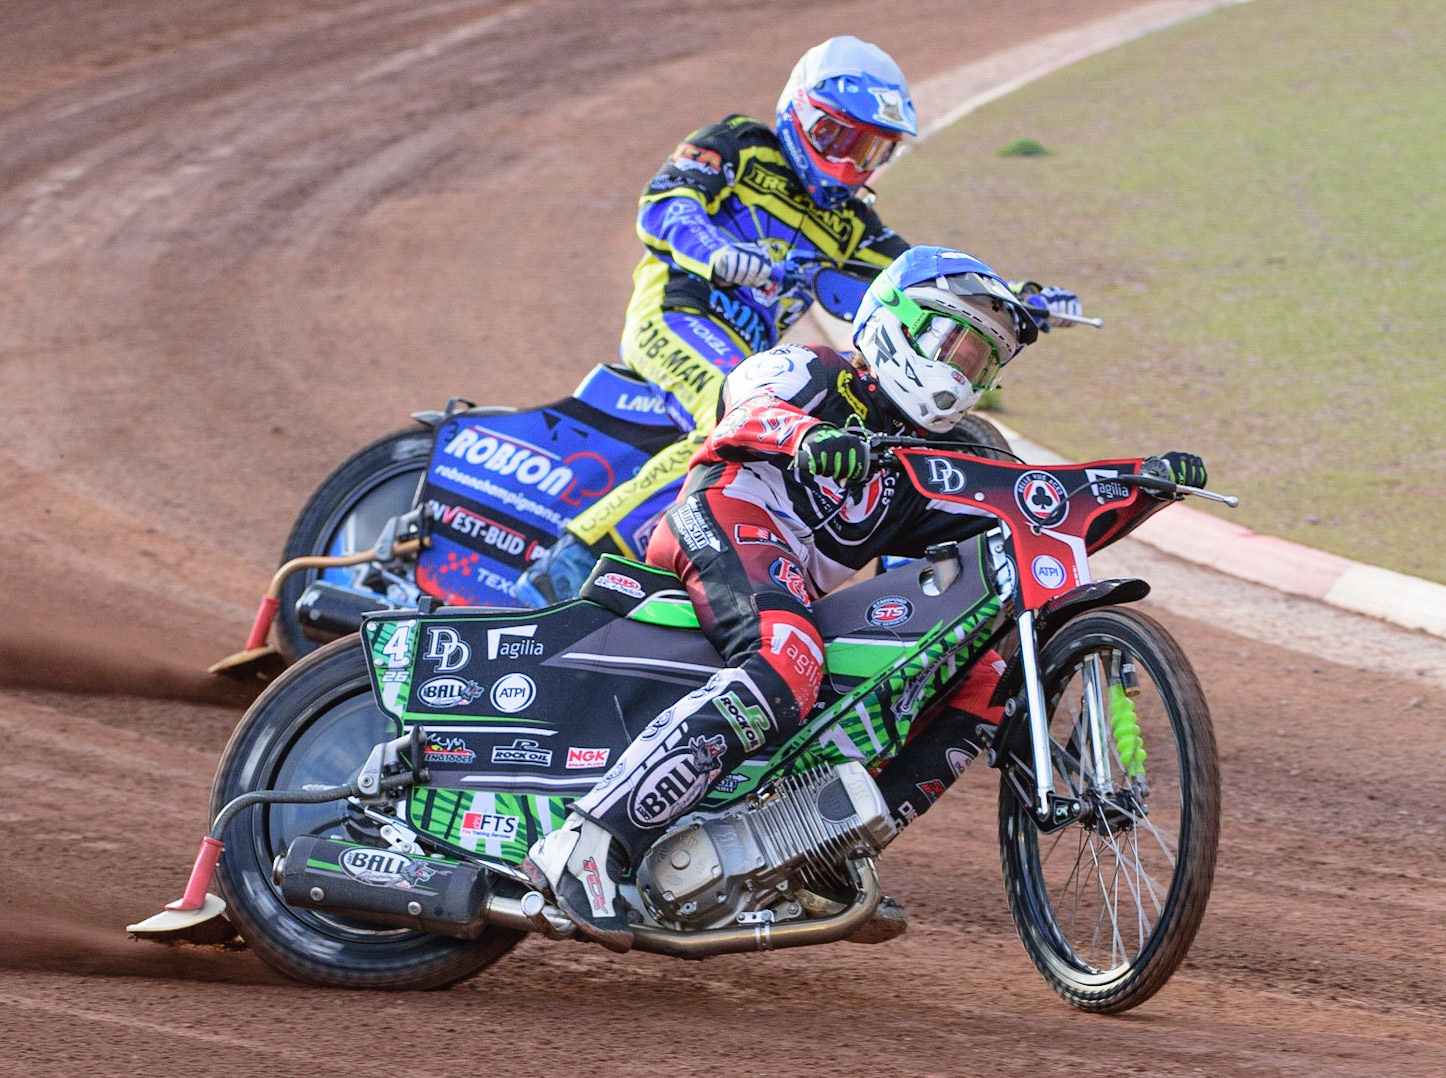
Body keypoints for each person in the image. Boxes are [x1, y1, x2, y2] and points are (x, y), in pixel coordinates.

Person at [523, 247, 1206, 950]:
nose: (960, 374)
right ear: (894, 323)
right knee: (788, 658)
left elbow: (1030, 511)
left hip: (791, 580)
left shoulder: (949, 454)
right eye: (953, 343)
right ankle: (588, 844)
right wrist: (811, 435)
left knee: (980, 677)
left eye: (980, 363)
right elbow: (742, 407)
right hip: (725, 512)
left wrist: (1138, 488)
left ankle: (824, 857)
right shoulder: (816, 369)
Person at [513, 35, 1082, 607]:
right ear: (799, 114)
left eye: (869, 151)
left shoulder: (854, 224)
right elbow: (665, 206)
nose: (848, 162)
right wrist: (714, 251)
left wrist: (1014, 301)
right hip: (675, 315)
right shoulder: (737, 145)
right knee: (734, 419)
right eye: (839, 137)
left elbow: (928, 284)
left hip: (751, 352)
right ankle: (563, 571)